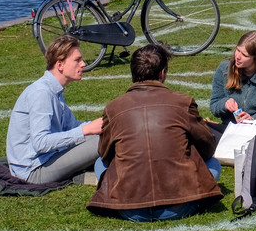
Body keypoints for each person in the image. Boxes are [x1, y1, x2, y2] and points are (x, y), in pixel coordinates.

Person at [88, 45, 222, 222]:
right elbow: (207, 147)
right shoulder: (183, 102)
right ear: (162, 73)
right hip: (180, 204)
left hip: (129, 207)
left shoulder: (113, 107)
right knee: (213, 164)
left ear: (133, 73)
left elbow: (105, 156)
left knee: (99, 164)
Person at [6, 35, 103, 183]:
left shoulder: (54, 90)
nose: (83, 64)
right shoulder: (42, 93)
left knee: (108, 134)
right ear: (60, 65)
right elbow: (41, 143)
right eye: (77, 60)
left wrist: (104, 125)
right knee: (102, 142)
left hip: (46, 160)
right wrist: (86, 130)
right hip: (33, 171)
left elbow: (72, 126)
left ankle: (90, 175)